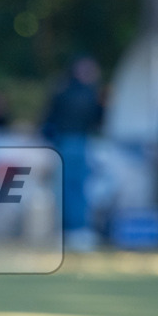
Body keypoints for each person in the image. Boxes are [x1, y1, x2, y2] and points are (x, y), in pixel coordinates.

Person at [41, 54, 103, 251]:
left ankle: (71, 228)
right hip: (73, 142)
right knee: (74, 188)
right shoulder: (86, 93)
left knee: (70, 188)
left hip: (69, 142)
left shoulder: (63, 89)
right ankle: (76, 229)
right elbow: (96, 118)